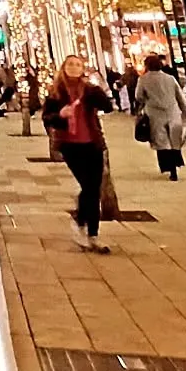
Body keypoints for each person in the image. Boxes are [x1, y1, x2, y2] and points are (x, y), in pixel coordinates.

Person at [42, 54, 114, 252]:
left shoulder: (90, 89)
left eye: (78, 64)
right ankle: (84, 227)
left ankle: (91, 233)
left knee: (93, 188)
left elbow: (108, 107)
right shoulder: (56, 92)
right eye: (70, 64)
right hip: (70, 145)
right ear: (64, 68)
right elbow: (47, 118)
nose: (74, 67)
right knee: (89, 186)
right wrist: (61, 115)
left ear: (83, 68)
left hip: (93, 143)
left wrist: (99, 91)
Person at [135, 55, 186, 180]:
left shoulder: (143, 80)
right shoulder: (170, 78)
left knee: (162, 143)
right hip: (173, 113)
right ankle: (175, 167)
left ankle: (168, 167)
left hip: (155, 115)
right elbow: (180, 97)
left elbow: (139, 97)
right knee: (174, 141)